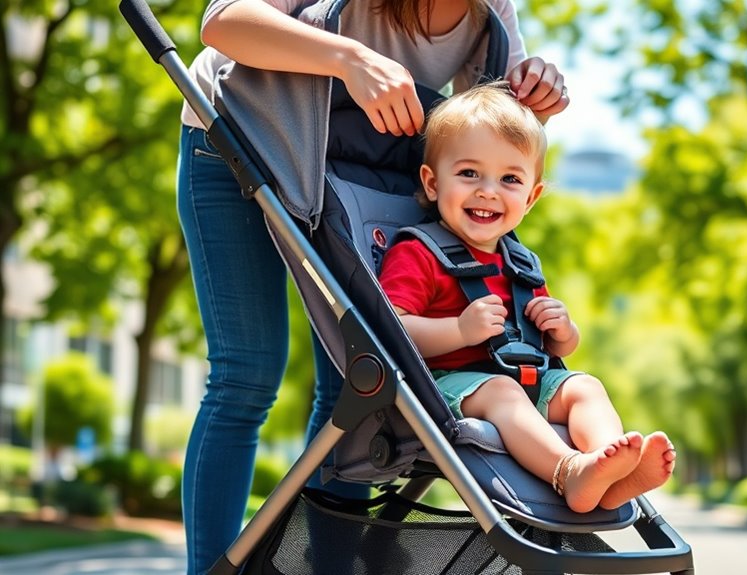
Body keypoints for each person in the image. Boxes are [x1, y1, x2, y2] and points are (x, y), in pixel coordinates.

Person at [176, 1, 569, 573]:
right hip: (235, 138)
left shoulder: (492, 11)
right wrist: (349, 57)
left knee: (355, 383)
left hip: (344, 169)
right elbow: (222, 20)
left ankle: (331, 567)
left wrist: (538, 94)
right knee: (247, 374)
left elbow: (487, 130)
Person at [378, 83, 676, 514]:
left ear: (531, 197)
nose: (489, 191)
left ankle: (611, 468)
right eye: (468, 174)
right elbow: (393, 330)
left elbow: (557, 349)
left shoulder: (519, 263)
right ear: (432, 182)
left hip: (528, 382)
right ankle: (569, 471)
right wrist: (460, 330)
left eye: (510, 179)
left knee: (584, 386)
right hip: (447, 387)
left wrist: (563, 331)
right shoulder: (418, 253)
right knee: (501, 390)